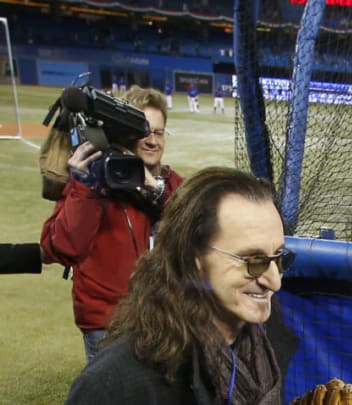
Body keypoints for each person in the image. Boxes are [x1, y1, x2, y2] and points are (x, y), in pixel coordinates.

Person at [65, 167, 294, 405]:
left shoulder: (268, 341)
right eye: (253, 262)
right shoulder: (114, 387)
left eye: (278, 258)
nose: (274, 281)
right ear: (193, 258)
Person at [40, 85, 184, 363]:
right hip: (107, 324)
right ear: (124, 131)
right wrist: (85, 188)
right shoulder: (91, 183)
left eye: (158, 132)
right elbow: (60, 248)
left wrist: (155, 189)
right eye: (144, 131)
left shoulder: (173, 184)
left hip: (164, 320)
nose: (152, 141)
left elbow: (199, 228)